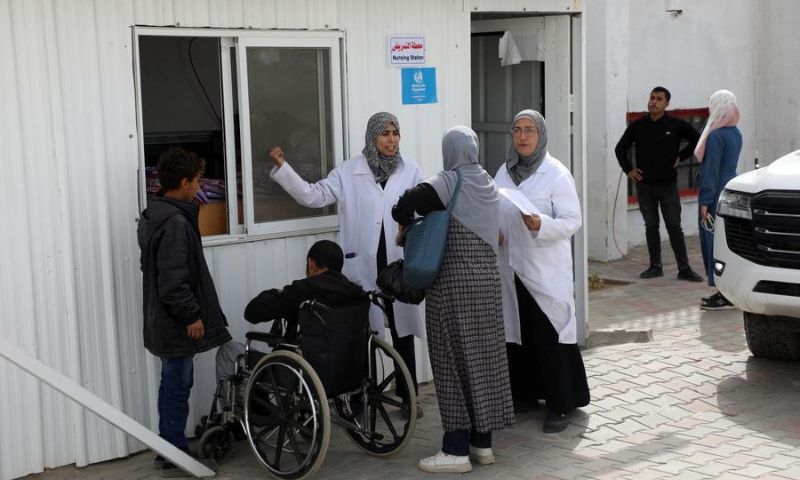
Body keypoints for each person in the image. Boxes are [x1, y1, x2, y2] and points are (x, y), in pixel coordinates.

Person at [268, 112, 425, 416]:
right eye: (385, 134)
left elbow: (422, 211)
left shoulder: (411, 171)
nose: (392, 139)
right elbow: (313, 195)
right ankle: (359, 400)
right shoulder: (349, 172)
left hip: (396, 266)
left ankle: (409, 398)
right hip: (363, 268)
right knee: (361, 334)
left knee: (401, 332)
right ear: (372, 138)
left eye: (395, 133)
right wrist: (283, 169)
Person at [393, 126, 514, 474]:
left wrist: (404, 226)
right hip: (488, 285)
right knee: (482, 360)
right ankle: (482, 445)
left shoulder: (448, 181)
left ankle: (455, 450)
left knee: (449, 362)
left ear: (450, 151)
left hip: (452, 286)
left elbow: (404, 205)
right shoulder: (490, 184)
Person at [137, 147, 232, 477]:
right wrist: (192, 315)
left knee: (172, 381)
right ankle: (175, 451)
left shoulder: (157, 214)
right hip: (175, 322)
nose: (199, 186)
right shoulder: (175, 221)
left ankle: (168, 447)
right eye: (196, 180)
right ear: (182, 182)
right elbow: (173, 281)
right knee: (178, 383)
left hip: (162, 321)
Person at [495, 110, 590, 434]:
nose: (522, 137)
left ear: (541, 135)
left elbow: (571, 220)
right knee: (519, 336)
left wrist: (541, 225)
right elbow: (495, 209)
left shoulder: (556, 174)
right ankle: (524, 395)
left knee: (549, 335)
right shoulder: (503, 173)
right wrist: (496, 230)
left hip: (544, 269)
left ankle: (560, 404)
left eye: (529, 131)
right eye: (517, 130)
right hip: (512, 268)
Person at [215, 240, 367, 383]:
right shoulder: (357, 293)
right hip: (347, 373)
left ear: (311, 263)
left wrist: (275, 293)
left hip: (301, 373)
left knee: (227, 351)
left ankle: (246, 410)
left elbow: (251, 313)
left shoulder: (304, 290)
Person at [615, 86, 704, 282]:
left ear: (666, 104)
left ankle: (684, 268)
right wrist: (629, 169)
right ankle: (655, 266)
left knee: (674, 226)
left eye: (659, 99)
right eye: (652, 98)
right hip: (645, 186)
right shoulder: (638, 126)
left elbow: (697, 140)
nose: (653, 102)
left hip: (668, 186)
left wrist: (681, 156)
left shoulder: (676, 124)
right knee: (651, 225)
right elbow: (620, 149)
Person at [695, 90, 742, 310]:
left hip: (715, 193)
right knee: (726, 241)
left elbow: (711, 171)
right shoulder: (735, 133)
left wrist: (704, 201)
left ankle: (722, 292)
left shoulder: (715, 136)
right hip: (730, 188)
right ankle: (728, 290)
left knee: (712, 241)